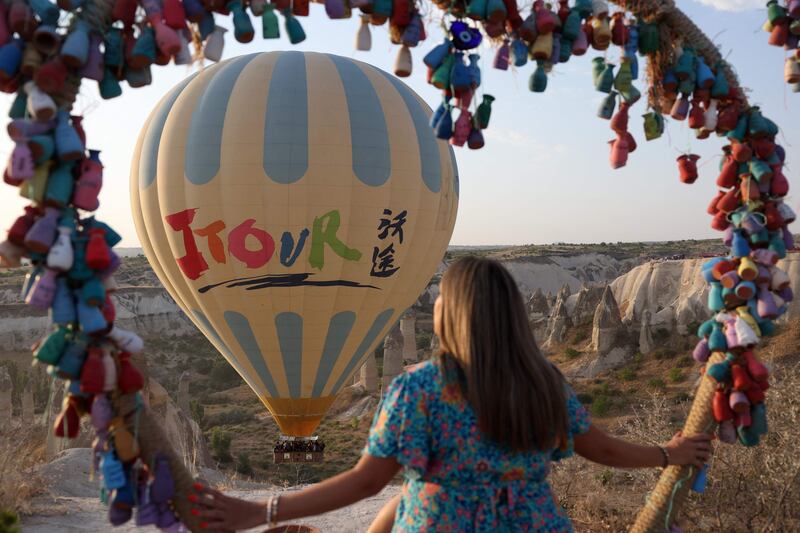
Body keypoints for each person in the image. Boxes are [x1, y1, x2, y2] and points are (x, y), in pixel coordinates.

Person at [191, 257, 711, 532]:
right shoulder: (542, 381)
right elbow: (602, 448)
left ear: (449, 315)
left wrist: (261, 511)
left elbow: (367, 481)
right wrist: (669, 454)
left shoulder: (419, 388)